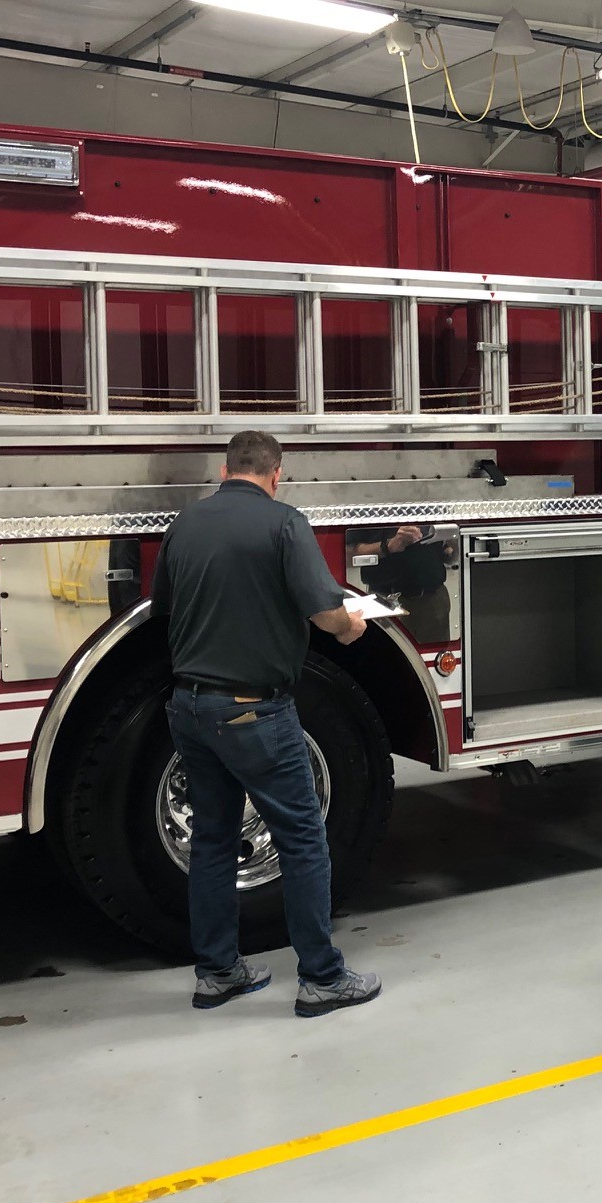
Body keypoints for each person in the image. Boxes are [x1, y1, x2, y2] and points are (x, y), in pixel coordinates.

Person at [152, 431, 382, 1018]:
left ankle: (218, 973)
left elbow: (164, 607)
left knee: (212, 840)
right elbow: (326, 612)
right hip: (254, 710)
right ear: (277, 473)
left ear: (224, 470)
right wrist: (350, 626)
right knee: (302, 839)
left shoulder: (184, 524)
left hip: (190, 708)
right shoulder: (284, 524)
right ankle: (322, 979)